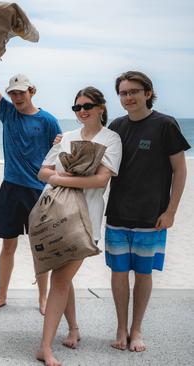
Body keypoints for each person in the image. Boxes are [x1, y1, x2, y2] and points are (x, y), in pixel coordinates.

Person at [36, 87, 122, 366]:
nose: (82, 111)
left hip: (86, 220)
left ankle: (45, 347)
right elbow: (42, 172)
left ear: (101, 107)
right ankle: (72, 328)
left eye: (88, 105)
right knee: (63, 277)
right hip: (56, 215)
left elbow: (100, 181)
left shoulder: (111, 139)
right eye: (77, 107)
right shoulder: (67, 138)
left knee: (59, 279)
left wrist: (60, 177)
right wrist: (63, 176)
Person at [105, 71, 189, 352]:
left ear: (148, 93)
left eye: (133, 92)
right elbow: (97, 155)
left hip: (151, 216)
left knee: (143, 274)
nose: (128, 98)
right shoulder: (116, 126)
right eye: (123, 93)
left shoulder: (165, 125)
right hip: (117, 213)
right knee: (118, 273)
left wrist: (171, 211)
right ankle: (120, 327)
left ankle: (136, 329)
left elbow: (180, 170)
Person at [0, 58, 62, 314]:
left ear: (31, 91)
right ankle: (2, 295)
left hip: (38, 191)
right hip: (11, 189)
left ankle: (43, 298)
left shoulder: (48, 121)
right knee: (8, 245)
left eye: (20, 92)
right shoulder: (8, 114)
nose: (16, 97)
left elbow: (57, 158)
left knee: (41, 248)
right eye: (12, 93)